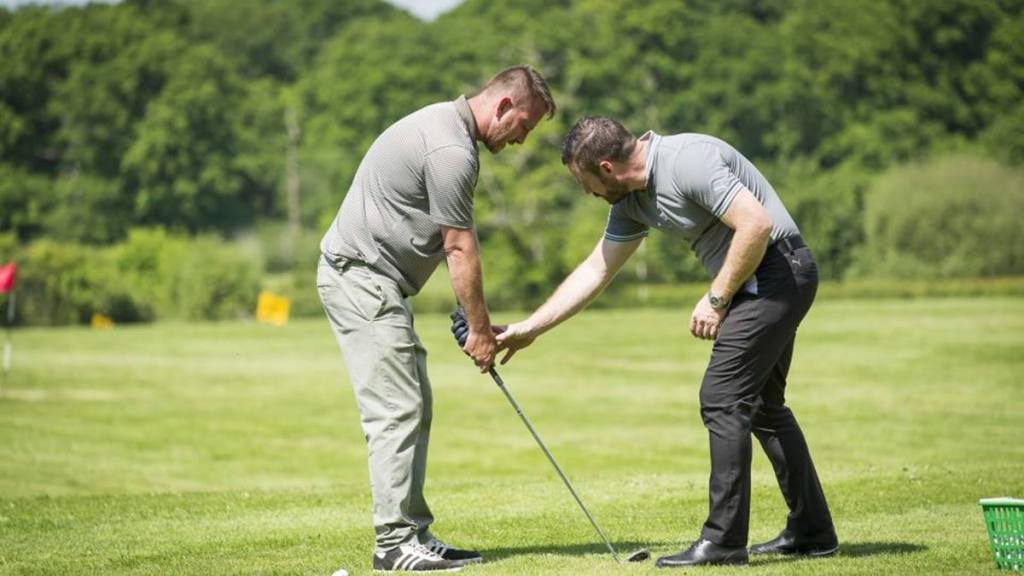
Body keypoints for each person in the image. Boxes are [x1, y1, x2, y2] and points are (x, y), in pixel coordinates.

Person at [496, 117, 838, 568]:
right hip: (758, 281)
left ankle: (723, 541)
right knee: (761, 406)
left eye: (586, 183)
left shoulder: (686, 161)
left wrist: (716, 299)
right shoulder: (632, 201)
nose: (588, 194)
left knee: (722, 398)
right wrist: (532, 327)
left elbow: (755, 225)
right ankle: (812, 532)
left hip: (779, 273)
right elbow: (597, 270)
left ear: (606, 167)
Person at [317, 66, 555, 573]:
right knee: (397, 409)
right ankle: (395, 545)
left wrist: (472, 316)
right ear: (504, 107)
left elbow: (445, 245)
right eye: (524, 127)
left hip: (373, 280)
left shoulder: (445, 129)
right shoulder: (451, 151)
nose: (521, 140)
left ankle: (414, 534)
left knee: (414, 401)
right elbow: (459, 246)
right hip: (360, 278)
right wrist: (480, 330)